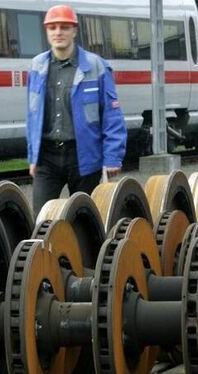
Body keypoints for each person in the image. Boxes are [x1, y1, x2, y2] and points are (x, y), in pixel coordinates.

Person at [26, 5, 126, 216]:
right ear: (47, 31)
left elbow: (111, 115)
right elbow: (32, 116)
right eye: (52, 27)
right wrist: (33, 157)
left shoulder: (96, 66)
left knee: (83, 218)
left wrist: (112, 157)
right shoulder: (37, 66)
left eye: (64, 27)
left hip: (83, 157)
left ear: (74, 31)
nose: (58, 32)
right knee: (42, 219)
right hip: (47, 157)